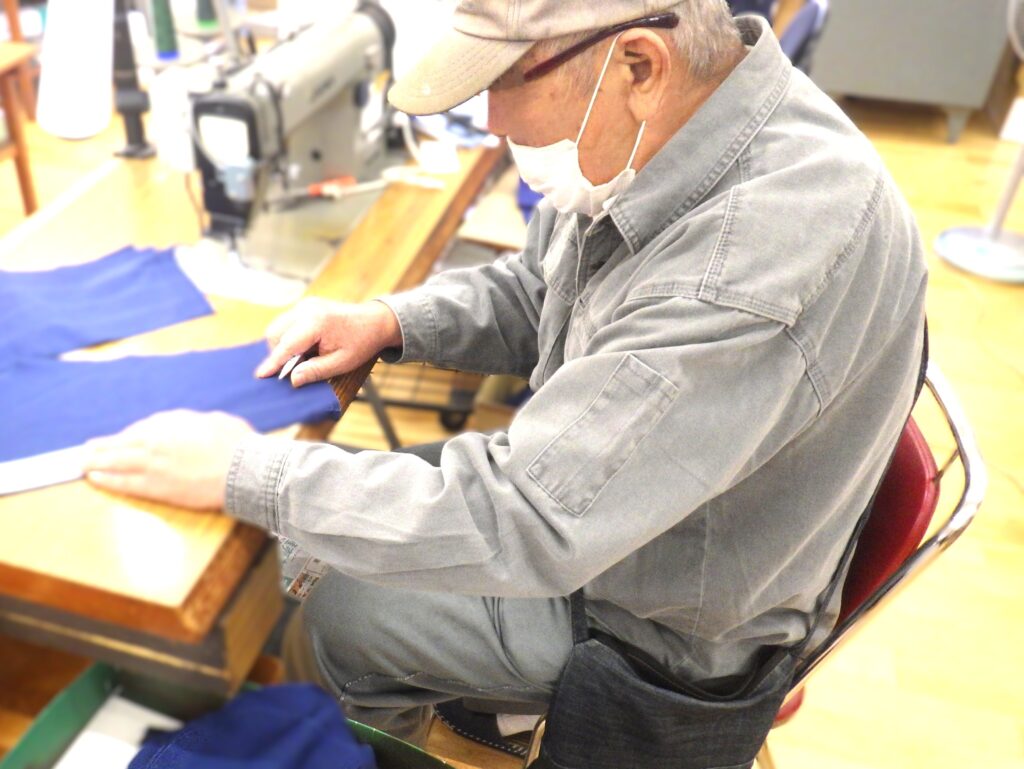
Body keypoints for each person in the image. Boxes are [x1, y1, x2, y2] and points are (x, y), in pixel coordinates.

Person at [83, 0, 927, 756]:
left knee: (337, 613)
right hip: (622, 510)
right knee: (319, 523)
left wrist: (246, 473)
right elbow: (539, 288)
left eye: (509, 82)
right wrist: (390, 321)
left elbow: (528, 517)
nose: (490, 121)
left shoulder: (746, 261)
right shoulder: (668, 131)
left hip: (657, 622)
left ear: (638, 63)